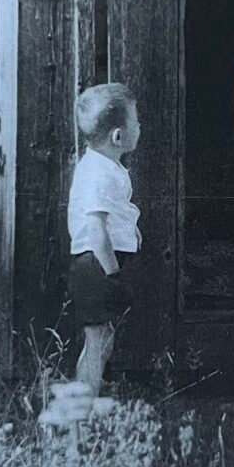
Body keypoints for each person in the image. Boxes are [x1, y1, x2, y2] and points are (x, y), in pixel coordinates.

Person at [67, 82, 142, 395]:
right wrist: (113, 274)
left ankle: (92, 391)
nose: (140, 126)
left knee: (103, 338)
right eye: (136, 122)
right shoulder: (98, 173)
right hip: (96, 266)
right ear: (118, 136)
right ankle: (84, 399)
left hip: (98, 265)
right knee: (97, 341)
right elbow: (96, 230)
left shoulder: (104, 166)